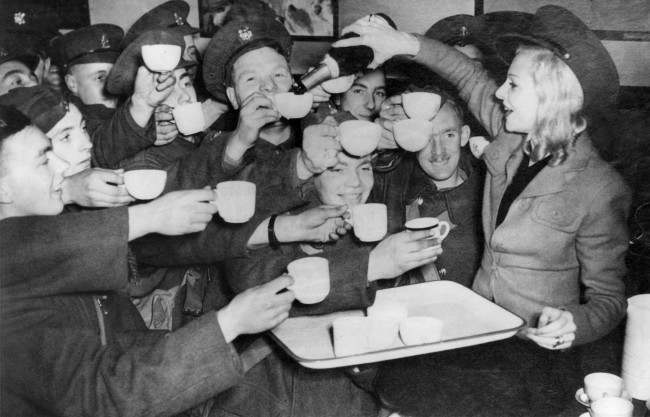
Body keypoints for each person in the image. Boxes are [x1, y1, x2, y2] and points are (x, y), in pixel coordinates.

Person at [335, 6, 630, 416]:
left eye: (513, 85)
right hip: (475, 330)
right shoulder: (512, 136)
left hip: (533, 358)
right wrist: (403, 44)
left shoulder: (599, 187)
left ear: (551, 95)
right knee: (397, 389)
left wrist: (572, 323)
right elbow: (467, 74)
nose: (500, 94)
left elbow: (610, 299)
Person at [0, 103, 296, 416]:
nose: (61, 169)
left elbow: (123, 345)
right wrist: (229, 324)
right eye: (43, 160)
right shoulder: (13, 300)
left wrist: (224, 339)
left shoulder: (50, 248)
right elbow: (105, 395)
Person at [51, 24, 176, 168]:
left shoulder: (124, 107)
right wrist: (141, 112)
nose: (111, 85)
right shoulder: (64, 119)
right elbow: (100, 146)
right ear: (72, 83)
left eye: (115, 76)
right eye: (100, 77)